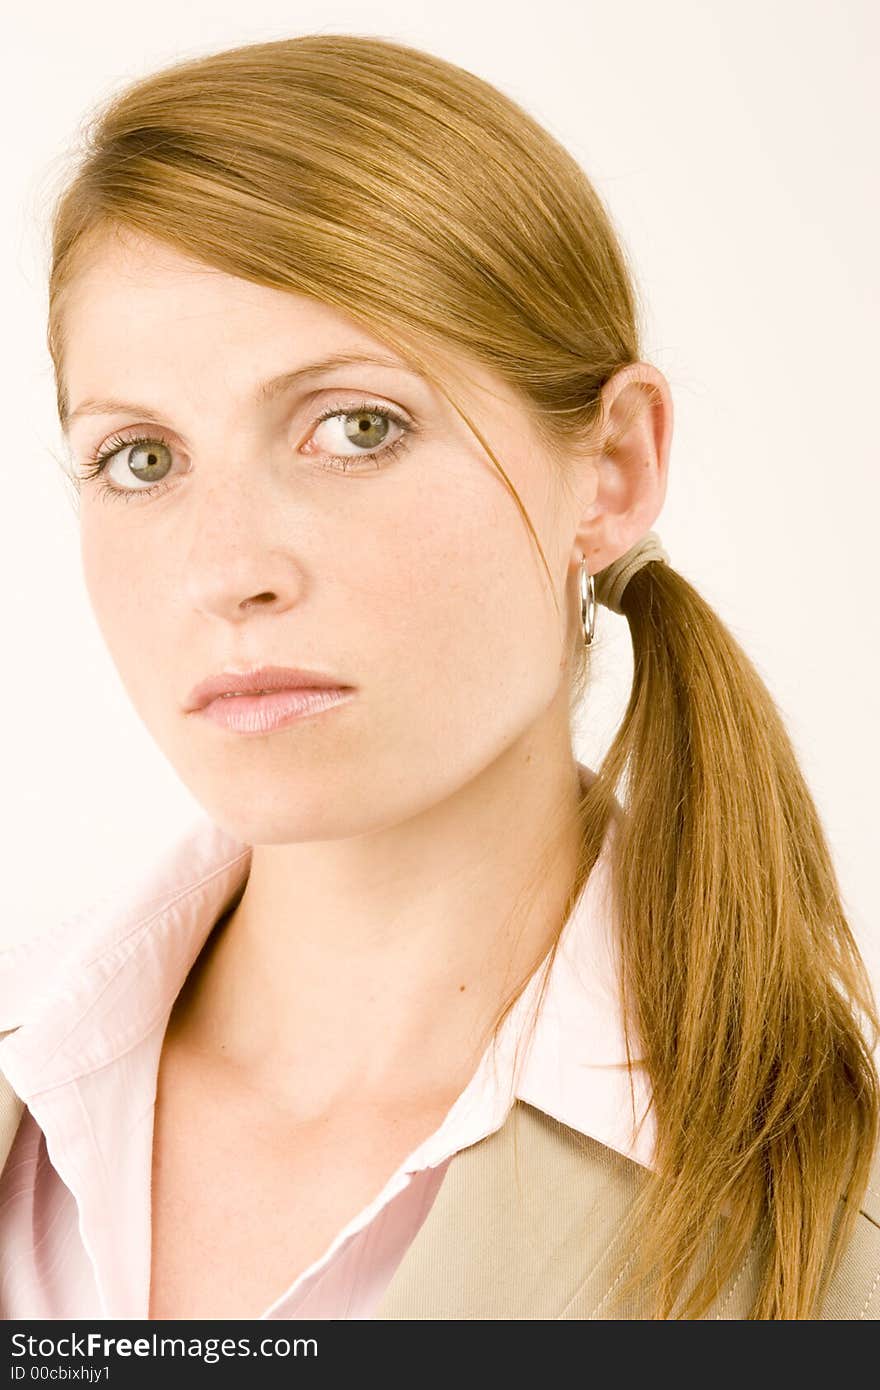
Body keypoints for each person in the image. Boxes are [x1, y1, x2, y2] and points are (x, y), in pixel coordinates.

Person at [1, 32, 878, 1321]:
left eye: (358, 427)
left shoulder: (834, 1232)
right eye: (139, 458)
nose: (228, 569)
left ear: (615, 467)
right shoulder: (40, 1090)